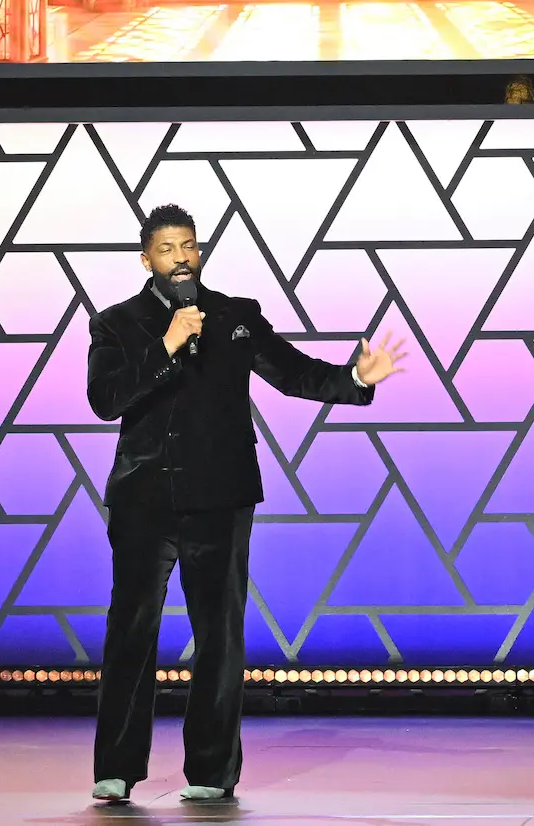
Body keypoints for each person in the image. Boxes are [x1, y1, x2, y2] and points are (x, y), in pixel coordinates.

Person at [85, 203, 407, 804]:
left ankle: (211, 771)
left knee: (220, 635)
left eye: (188, 246)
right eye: (167, 249)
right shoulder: (116, 324)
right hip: (144, 499)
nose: (180, 258)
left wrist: (357, 378)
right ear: (146, 259)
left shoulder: (235, 315)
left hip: (220, 497)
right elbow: (106, 400)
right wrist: (167, 344)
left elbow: (293, 373)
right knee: (131, 631)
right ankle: (117, 769)